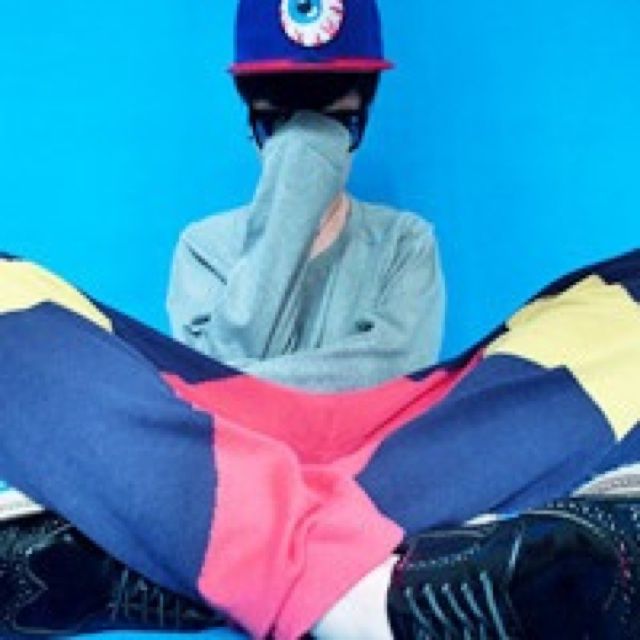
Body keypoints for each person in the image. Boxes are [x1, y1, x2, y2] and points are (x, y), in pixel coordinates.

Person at [0, 247, 639, 640]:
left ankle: (160, 554)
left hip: (419, 432)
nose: (312, 121)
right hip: (207, 422)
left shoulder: (402, 239)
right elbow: (229, 342)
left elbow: (387, 359)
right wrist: (299, 171)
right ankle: (365, 601)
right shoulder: (207, 242)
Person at [166, 0, 445, 392]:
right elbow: (211, 399)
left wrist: (238, 383)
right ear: (249, 120)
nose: (306, 150)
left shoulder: (403, 244)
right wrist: (290, 206)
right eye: (276, 124)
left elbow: (394, 385)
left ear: (365, 116)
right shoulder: (205, 250)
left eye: (336, 122)